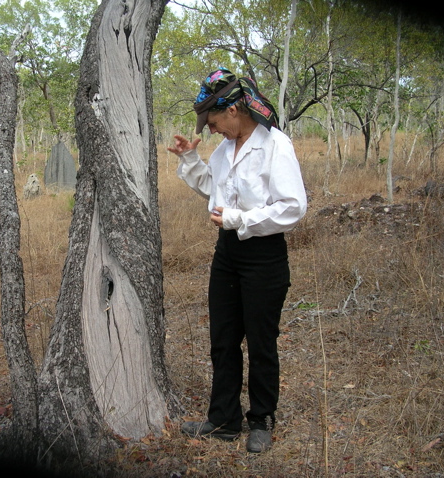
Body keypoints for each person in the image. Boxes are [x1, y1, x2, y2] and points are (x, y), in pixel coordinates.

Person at [167, 68, 307, 453]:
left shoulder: (275, 145)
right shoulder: (225, 150)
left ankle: (261, 420)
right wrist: (192, 159)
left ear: (233, 110)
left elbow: (293, 207)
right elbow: (216, 191)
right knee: (223, 339)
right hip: (227, 253)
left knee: (262, 342)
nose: (210, 130)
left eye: (212, 121)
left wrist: (240, 219)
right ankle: (224, 419)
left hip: (264, 257)